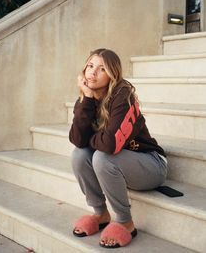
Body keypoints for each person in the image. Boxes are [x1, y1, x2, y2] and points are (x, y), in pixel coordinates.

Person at [69, 48, 167, 248]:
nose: (93, 72)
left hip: (150, 164)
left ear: (113, 74)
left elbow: (109, 144)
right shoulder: (87, 99)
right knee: (79, 155)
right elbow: (78, 140)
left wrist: (92, 139)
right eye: (90, 66)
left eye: (102, 69)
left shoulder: (123, 96)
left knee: (102, 157)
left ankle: (125, 221)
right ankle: (100, 213)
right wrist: (87, 98)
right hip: (120, 166)